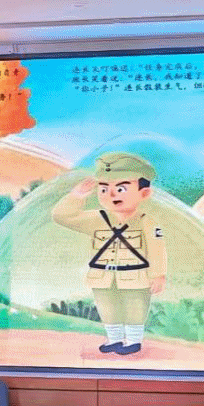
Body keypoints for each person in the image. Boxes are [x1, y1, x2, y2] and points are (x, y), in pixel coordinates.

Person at [51, 152, 168, 356]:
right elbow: (61, 216)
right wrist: (76, 197)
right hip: (102, 275)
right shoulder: (97, 219)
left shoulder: (146, 222)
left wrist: (158, 274)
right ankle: (114, 339)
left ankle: (133, 341)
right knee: (107, 307)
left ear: (144, 193)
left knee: (135, 307)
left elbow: (157, 248)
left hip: (135, 275)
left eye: (121, 188)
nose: (112, 195)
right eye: (104, 189)